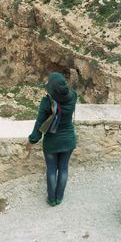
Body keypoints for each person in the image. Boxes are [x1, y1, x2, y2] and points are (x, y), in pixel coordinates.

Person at [26, 72, 77, 206]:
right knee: (64, 168)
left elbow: (39, 124)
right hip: (68, 140)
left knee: (52, 169)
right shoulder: (73, 97)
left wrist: (32, 140)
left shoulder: (47, 102)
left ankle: (51, 199)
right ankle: (59, 197)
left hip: (52, 142)